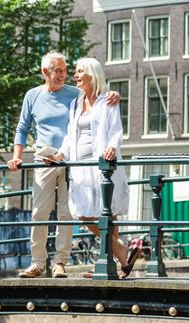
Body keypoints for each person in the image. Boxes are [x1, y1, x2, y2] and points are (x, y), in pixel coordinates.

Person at [8, 52, 119, 279]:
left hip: (71, 160)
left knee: (66, 213)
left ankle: (60, 263)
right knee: (39, 212)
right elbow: (22, 127)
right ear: (45, 72)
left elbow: (98, 96)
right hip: (44, 159)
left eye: (65, 70)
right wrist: (17, 156)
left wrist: (115, 95)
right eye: (57, 70)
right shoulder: (33, 96)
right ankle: (38, 263)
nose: (63, 75)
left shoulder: (75, 94)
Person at [50, 56, 134, 278]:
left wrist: (112, 149)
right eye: (75, 72)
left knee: (107, 214)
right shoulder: (76, 103)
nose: (75, 75)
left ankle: (112, 264)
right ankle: (121, 252)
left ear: (91, 74)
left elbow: (116, 131)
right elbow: (71, 136)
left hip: (102, 165)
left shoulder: (108, 100)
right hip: (81, 168)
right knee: (84, 215)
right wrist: (60, 153)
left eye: (79, 72)